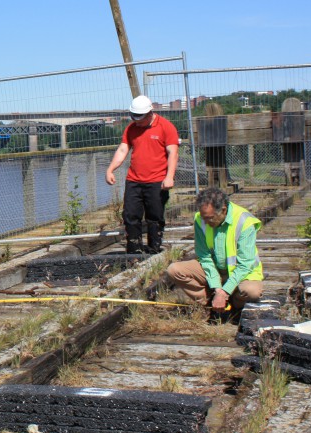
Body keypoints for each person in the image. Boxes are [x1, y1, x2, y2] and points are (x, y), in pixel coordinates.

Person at [168, 187, 264, 313]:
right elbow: (204, 257)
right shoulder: (200, 219)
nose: (206, 222)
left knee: (252, 292)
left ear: (223, 210)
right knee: (174, 270)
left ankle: (235, 306)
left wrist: (224, 292)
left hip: (242, 272)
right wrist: (217, 288)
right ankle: (209, 302)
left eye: (210, 218)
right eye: (204, 218)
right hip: (215, 269)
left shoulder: (244, 222)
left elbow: (245, 265)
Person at [105, 94, 179, 254]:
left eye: (140, 117)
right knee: (130, 215)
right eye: (134, 117)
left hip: (157, 181)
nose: (137, 120)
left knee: (155, 217)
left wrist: (169, 176)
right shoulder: (131, 128)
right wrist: (110, 169)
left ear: (150, 112)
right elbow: (123, 149)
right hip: (134, 180)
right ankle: (134, 252)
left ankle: (154, 249)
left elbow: (172, 152)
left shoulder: (166, 127)